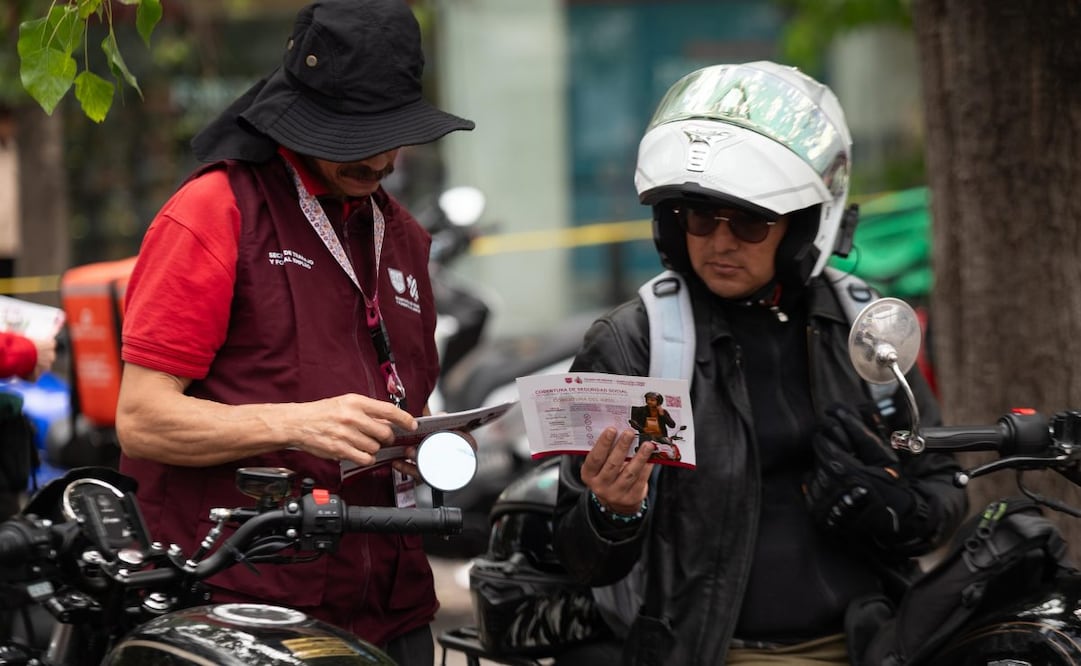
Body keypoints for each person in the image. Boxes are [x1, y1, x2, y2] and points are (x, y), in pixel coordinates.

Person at [552, 61, 967, 665]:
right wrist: (611, 511)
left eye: (750, 222)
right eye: (700, 218)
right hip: (714, 651)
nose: (720, 243)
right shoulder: (635, 341)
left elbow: (944, 490)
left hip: (872, 645)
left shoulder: (864, 324)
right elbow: (581, 558)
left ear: (802, 226)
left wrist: (895, 506)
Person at [113, 0, 474, 662]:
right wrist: (296, 424)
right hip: (244, 609)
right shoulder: (213, 211)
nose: (380, 157)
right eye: (354, 134)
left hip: (393, 603)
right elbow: (142, 419)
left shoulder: (403, 237)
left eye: (390, 131)